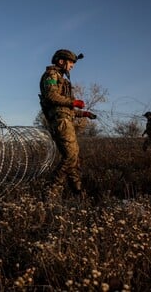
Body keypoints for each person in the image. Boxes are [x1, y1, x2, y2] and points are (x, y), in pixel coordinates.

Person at [39, 49, 97, 194]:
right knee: (70, 156)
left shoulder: (62, 79)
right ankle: (50, 191)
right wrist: (73, 102)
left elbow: (66, 108)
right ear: (61, 61)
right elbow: (51, 96)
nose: (72, 66)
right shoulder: (51, 75)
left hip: (65, 120)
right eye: (70, 62)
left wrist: (83, 113)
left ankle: (77, 191)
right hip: (60, 122)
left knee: (74, 158)